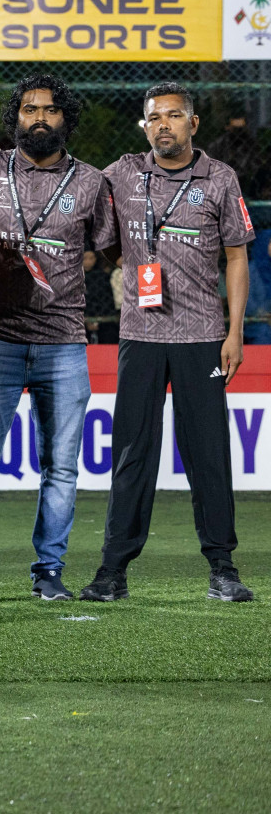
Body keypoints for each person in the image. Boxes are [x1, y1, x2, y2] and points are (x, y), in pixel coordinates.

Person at [81, 82, 255, 604]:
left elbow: (237, 257)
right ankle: (113, 570)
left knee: (208, 453)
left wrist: (235, 331)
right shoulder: (123, 172)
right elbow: (77, 190)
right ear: (145, 126)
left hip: (203, 335)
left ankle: (222, 567)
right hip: (140, 335)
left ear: (193, 124)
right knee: (132, 452)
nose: (163, 124)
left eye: (174, 116)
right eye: (154, 117)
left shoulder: (219, 178)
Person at [0, 75, 117, 601]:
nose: (40, 118)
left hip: (64, 342)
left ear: (65, 118)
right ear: (16, 117)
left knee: (62, 469)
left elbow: (108, 251)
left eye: (50, 109)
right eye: (30, 109)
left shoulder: (91, 181)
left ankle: (49, 571)